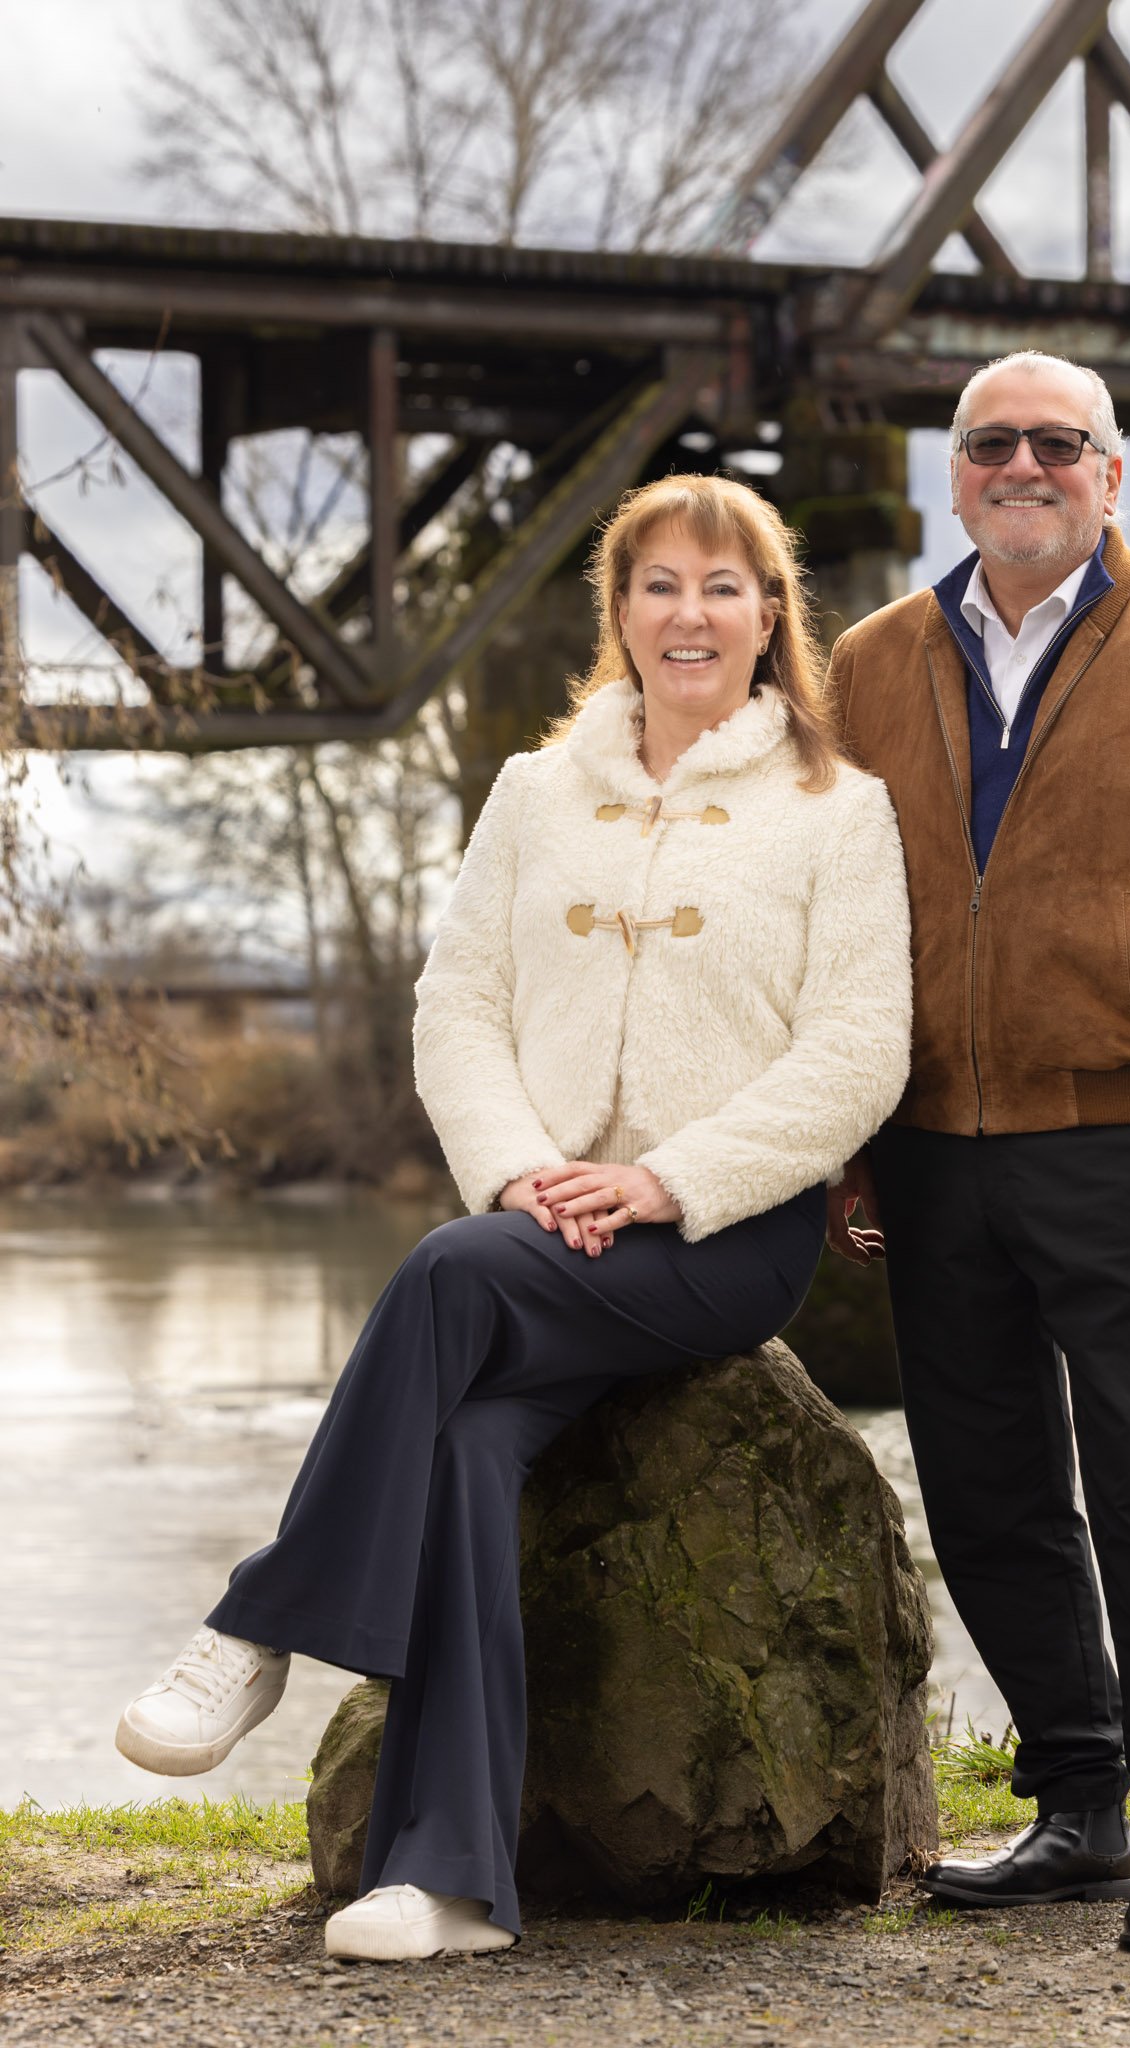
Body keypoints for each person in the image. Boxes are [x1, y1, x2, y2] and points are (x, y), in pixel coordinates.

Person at [114, 472, 913, 1963]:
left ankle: (261, 1620)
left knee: (440, 1275)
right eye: (658, 584)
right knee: (471, 1446)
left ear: (768, 616)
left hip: (720, 1236)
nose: (689, 613)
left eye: (721, 586)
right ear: (616, 613)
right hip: (537, 1220)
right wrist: (519, 1170)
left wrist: (667, 1180)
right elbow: (458, 1005)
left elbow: (858, 1052)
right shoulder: (534, 795)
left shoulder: (836, 811)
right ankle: (451, 1878)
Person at [825, 350, 1130, 1953]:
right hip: (920, 1147)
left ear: (1113, 476)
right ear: (950, 477)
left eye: (1059, 442)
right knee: (983, 1494)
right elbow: (826, 922)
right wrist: (840, 1141)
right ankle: (1077, 1808)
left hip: (1122, 1136)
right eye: (992, 444)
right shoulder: (864, 663)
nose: (1023, 464)